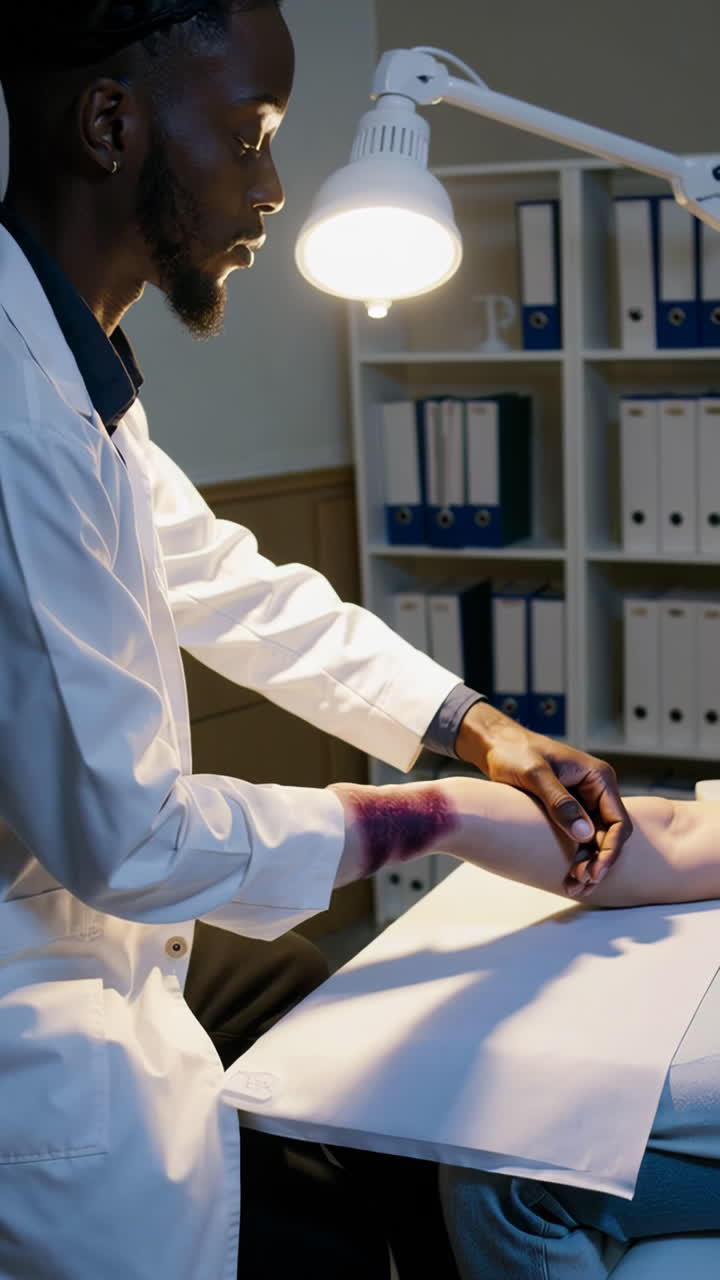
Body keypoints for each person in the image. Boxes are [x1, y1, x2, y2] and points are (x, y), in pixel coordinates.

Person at [0, 3, 632, 1277]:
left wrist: (476, 727)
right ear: (111, 124)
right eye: (250, 137)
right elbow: (124, 835)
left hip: (104, 935)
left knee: (345, 1024)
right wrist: (427, 817)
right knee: (336, 1207)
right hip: (40, 1007)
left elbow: (224, 579)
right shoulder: (15, 415)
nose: (275, 189)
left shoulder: (75, 366)